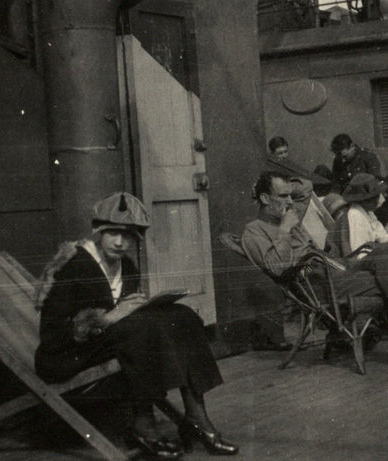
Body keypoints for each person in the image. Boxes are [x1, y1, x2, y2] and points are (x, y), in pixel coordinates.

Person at [35, 193, 238, 458]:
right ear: (98, 231)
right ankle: (143, 424)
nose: (120, 243)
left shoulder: (126, 266)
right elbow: (52, 335)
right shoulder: (73, 266)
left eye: (129, 236)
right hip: (65, 354)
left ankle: (196, 417)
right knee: (140, 329)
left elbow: (126, 319)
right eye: (113, 233)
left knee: (182, 316)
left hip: (113, 341)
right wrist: (108, 318)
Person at [241, 171, 388, 372]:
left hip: (333, 268)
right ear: (265, 199)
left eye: (289, 195)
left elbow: (305, 188)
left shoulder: (287, 213)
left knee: (383, 251)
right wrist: (284, 230)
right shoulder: (253, 232)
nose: (289, 202)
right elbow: (278, 268)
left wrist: (284, 186)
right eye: (283, 196)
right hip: (316, 284)